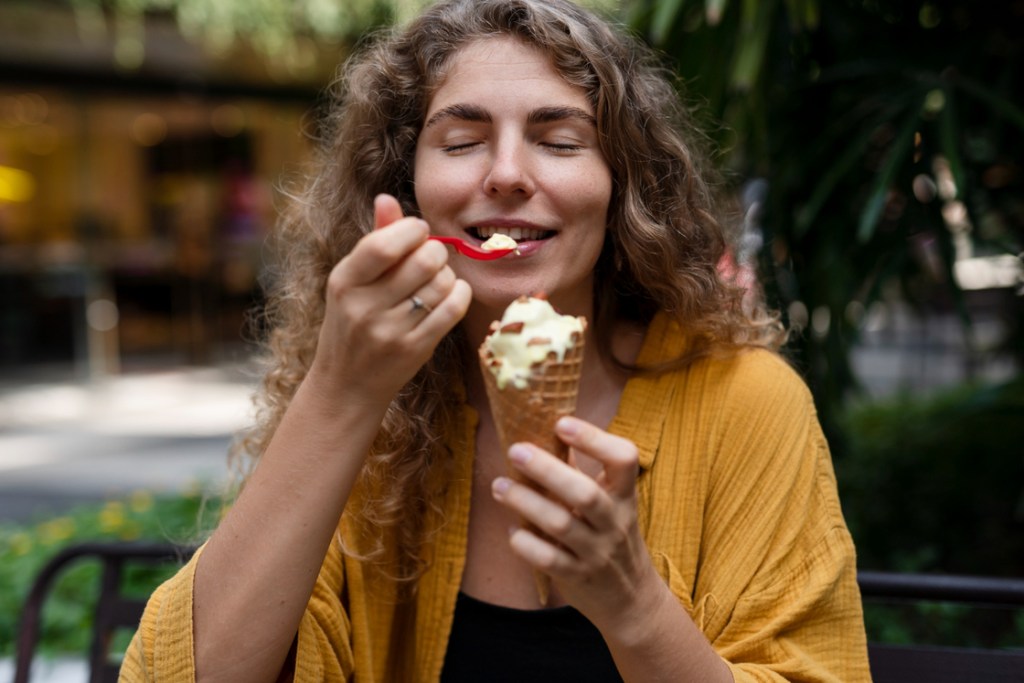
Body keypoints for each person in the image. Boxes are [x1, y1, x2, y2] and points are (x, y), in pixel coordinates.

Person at [120, 0, 870, 680]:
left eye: (559, 140)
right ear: (408, 187)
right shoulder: (377, 413)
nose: (507, 174)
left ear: (623, 187)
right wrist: (339, 391)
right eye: (462, 140)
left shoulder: (744, 402)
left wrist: (635, 604)